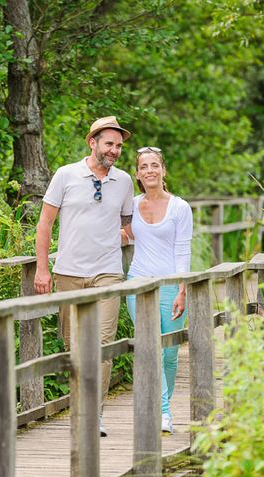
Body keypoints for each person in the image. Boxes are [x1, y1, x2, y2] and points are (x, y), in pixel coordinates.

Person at [34, 116, 134, 437]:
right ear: (92, 142)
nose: (115, 150)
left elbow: (130, 226)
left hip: (107, 273)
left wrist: (115, 237)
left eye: (119, 146)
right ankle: (80, 407)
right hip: (68, 274)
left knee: (101, 345)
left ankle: (94, 415)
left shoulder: (124, 181)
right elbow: (45, 224)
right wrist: (41, 268)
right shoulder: (66, 175)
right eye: (109, 144)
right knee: (73, 347)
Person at [124, 146, 193, 434]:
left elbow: (182, 250)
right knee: (149, 347)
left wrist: (182, 289)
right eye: (144, 167)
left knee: (169, 353)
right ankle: (162, 412)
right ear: (138, 174)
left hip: (169, 286)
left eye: (154, 165)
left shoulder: (179, 207)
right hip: (138, 283)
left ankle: (162, 405)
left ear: (163, 170)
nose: (149, 170)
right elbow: (121, 235)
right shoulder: (131, 205)